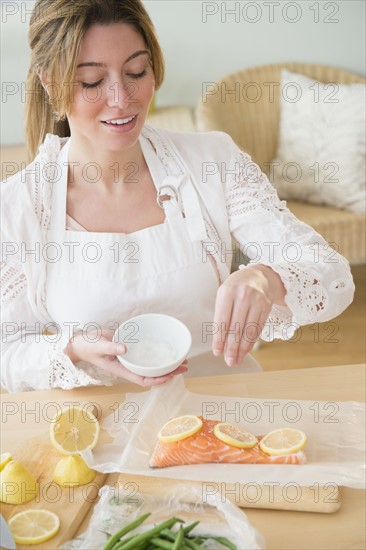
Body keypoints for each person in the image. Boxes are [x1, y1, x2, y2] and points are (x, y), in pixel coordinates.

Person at [1, 0, 354, 392]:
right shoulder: (18, 207)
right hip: (98, 430)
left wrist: (266, 278)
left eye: (137, 71)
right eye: (92, 82)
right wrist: (70, 350)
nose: (122, 97)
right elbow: (7, 353)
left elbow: (333, 276)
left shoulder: (212, 162)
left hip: (223, 416)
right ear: (50, 82)